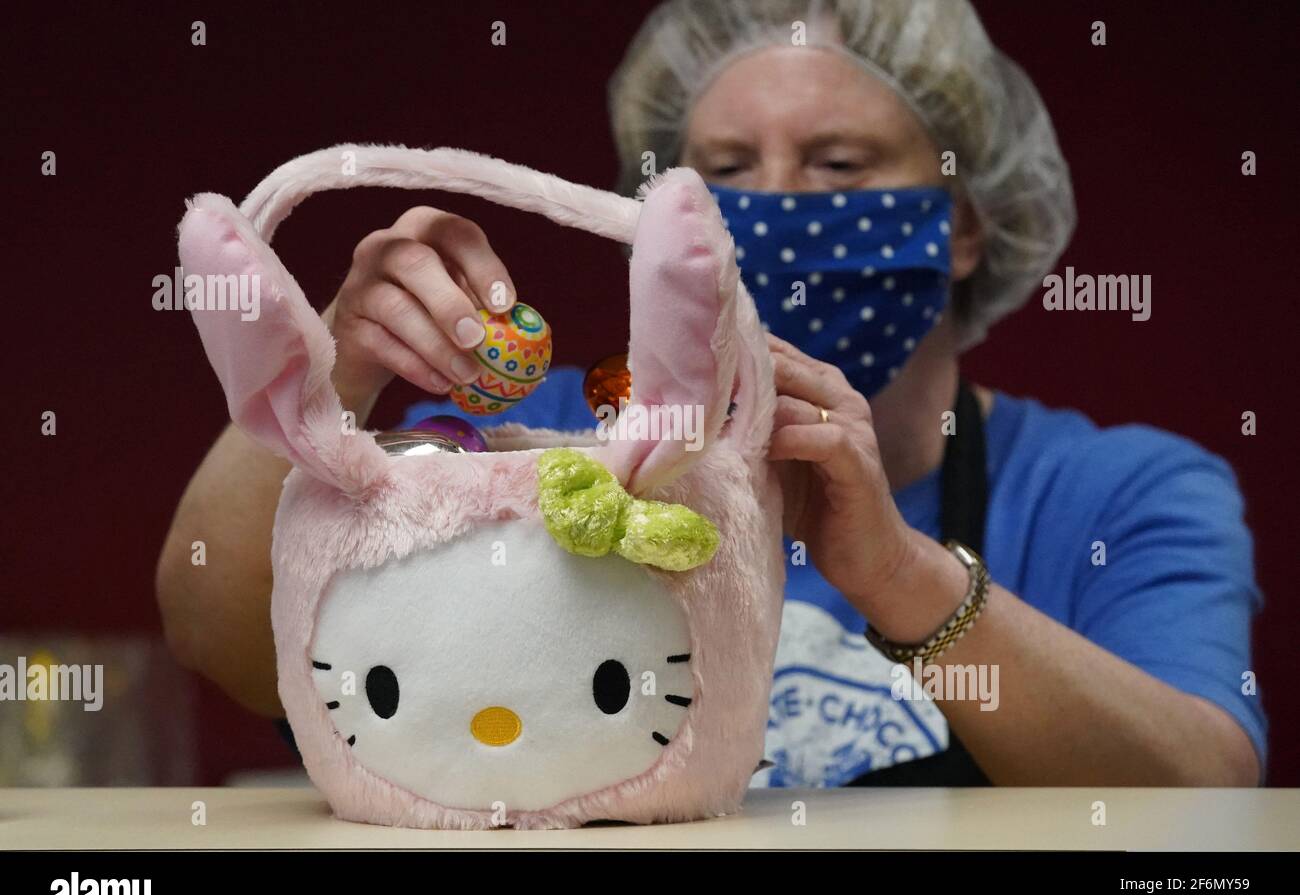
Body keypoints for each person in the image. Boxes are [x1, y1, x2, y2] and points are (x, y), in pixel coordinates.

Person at [156, 0, 1265, 786]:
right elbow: (222, 642)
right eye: (724, 171)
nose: (773, 206)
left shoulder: (1120, 495)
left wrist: (899, 576)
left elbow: (1202, 792)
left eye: (838, 165)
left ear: (965, 218)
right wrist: (337, 371)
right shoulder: (547, 461)